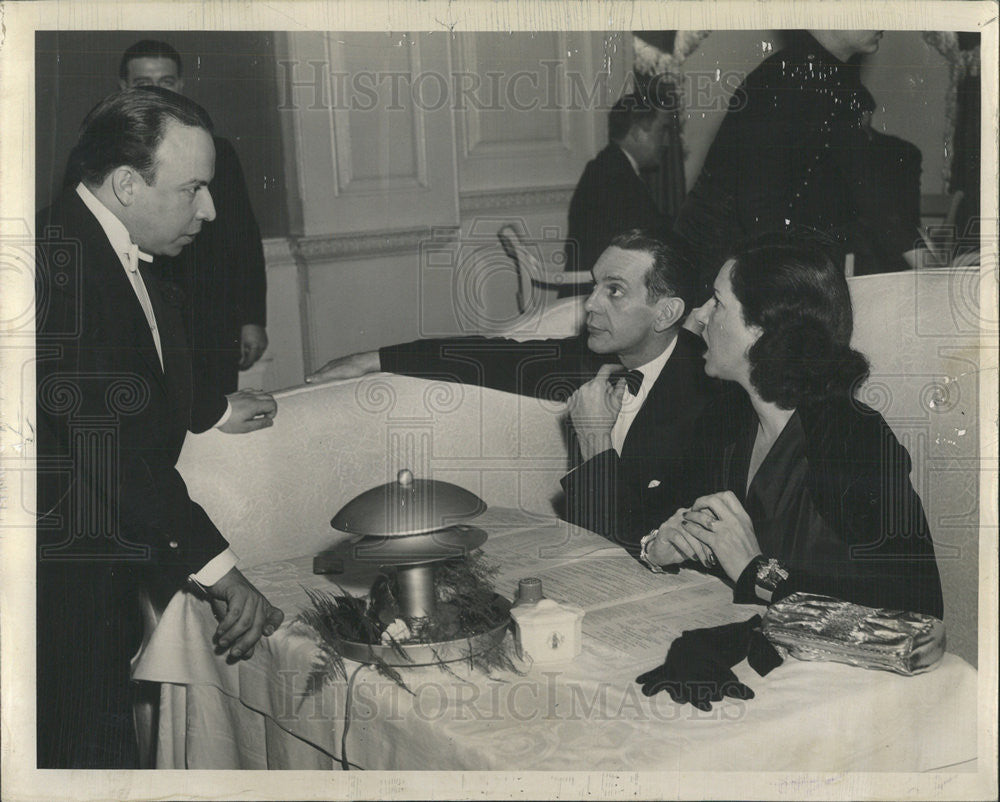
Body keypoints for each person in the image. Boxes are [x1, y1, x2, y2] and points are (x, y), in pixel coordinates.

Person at [35, 87, 284, 768]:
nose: (209, 210)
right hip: (53, 586)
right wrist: (224, 572)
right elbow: (110, 446)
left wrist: (212, 409)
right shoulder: (59, 269)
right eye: (194, 189)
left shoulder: (99, 243)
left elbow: (135, 373)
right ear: (124, 184)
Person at [307, 231, 720, 550]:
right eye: (595, 286)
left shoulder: (711, 395)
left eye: (614, 290)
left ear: (666, 312)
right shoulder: (594, 359)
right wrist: (376, 358)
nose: (590, 305)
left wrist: (594, 439)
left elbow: (639, 540)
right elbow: (489, 357)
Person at [640, 234, 944, 618]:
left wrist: (759, 573)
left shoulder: (852, 436)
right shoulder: (726, 418)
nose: (698, 315)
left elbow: (919, 604)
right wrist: (659, 544)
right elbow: (661, 510)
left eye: (718, 302)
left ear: (763, 330)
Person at [673, 30, 914, 288]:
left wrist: (918, 254)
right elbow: (758, 202)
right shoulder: (785, 76)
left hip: (757, 252)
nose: (883, 20)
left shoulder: (835, 76)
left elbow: (864, 180)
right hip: (720, 260)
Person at [118, 39, 268, 424]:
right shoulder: (107, 158)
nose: (154, 91)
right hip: (144, 320)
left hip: (211, 321)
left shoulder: (216, 151)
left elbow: (243, 239)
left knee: (223, 425)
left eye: (165, 81)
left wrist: (252, 318)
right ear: (123, 88)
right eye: (142, 83)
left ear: (180, 86)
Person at [560, 93, 672, 296]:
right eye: (662, 130)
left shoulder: (609, 166)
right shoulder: (615, 177)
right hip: (594, 294)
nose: (666, 141)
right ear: (637, 132)